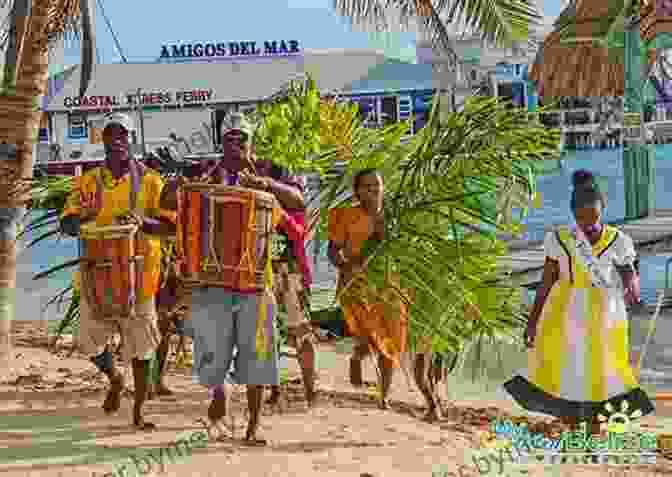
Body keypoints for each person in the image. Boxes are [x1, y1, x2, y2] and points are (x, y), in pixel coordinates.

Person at [503, 169, 654, 436]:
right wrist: (532, 322)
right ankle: (574, 429)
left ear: (602, 209)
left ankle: (596, 430)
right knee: (568, 373)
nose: (589, 225)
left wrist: (634, 294)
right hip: (565, 314)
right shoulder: (560, 239)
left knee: (604, 372)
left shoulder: (618, 240)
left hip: (605, 316)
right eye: (583, 219)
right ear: (573, 215)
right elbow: (546, 284)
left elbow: (629, 275)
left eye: (594, 217)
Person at [185, 112, 305, 446]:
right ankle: (219, 398)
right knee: (212, 355)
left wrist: (265, 184)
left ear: (251, 142)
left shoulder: (267, 171)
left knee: (259, 357)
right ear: (221, 141)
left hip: (255, 280)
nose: (236, 144)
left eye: (242, 138)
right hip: (214, 278)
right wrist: (195, 185)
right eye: (230, 138)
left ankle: (253, 424)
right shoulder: (206, 170)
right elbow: (172, 198)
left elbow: (297, 202)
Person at [60, 113, 177, 430]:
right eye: (110, 135)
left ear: (132, 139)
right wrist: (80, 219)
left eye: (122, 135)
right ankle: (114, 377)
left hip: (140, 278)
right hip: (96, 277)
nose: (116, 141)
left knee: (143, 347)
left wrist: (143, 222)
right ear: (102, 140)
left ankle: (139, 410)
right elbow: (67, 222)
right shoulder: (88, 182)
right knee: (86, 341)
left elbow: (170, 227)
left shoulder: (152, 182)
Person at [327, 168, 407, 409]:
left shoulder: (396, 215)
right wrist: (345, 265)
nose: (373, 190)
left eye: (377, 185)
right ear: (357, 191)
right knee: (370, 336)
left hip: (391, 286)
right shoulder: (346, 216)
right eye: (367, 186)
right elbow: (333, 251)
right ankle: (357, 357)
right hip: (357, 287)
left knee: (391, 340)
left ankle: (384, 396)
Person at [264, 164, 318, 408]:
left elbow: (298, 234)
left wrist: (279, 212)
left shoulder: (294, 206)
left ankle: (310, 390)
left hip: (291, 275)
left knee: (301, 334)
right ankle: (275, 390)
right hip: (264, 274)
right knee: (268, 334)